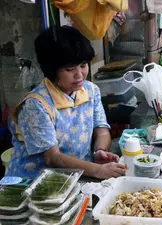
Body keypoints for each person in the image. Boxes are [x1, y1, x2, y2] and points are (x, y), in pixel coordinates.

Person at [7, 26, 127, 180]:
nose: (79, 75)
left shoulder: (91, 91)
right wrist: (98, 170)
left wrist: (99, 151)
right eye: (70, 69)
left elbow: (102, 130)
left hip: (74, 176)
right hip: (32, 182)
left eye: (83, 65)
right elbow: (52, 157)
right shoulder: (36, 105)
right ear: (52, 70)